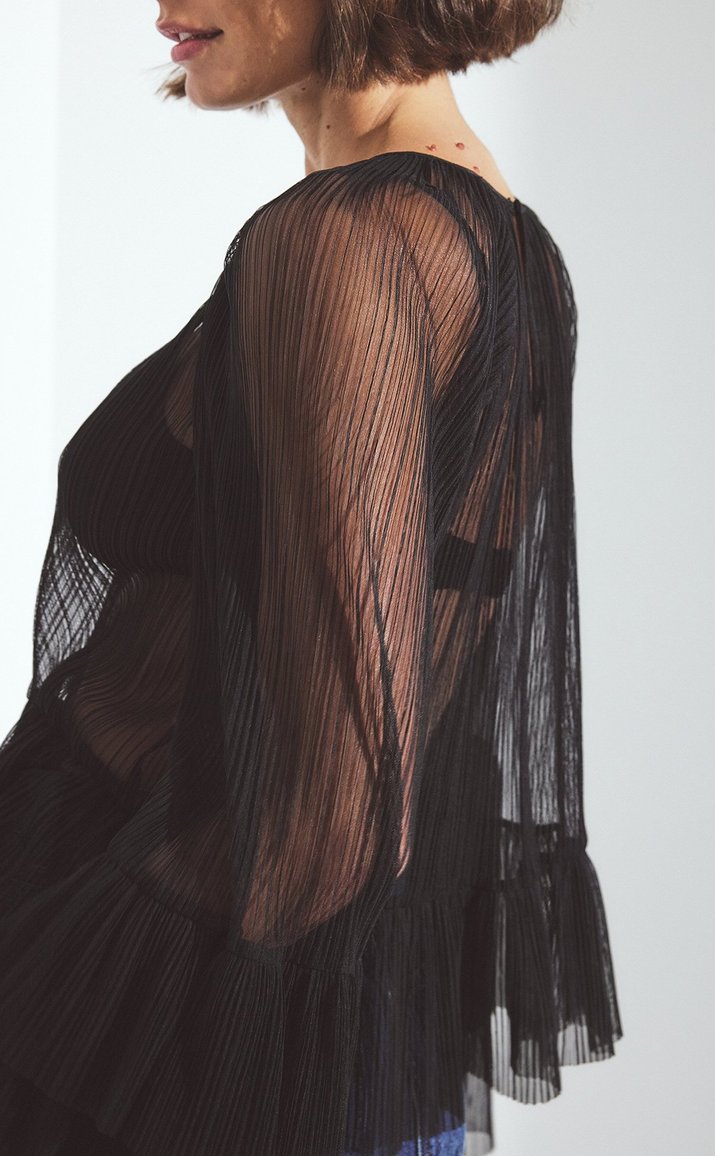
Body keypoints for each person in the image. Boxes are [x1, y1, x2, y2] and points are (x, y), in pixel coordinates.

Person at [0, 2, 623, 1154]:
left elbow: (341, 795)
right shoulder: (492, 236)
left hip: (187, 1032)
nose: (160, 4)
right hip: (306, 1022)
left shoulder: (346, 242)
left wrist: (153, 1066)